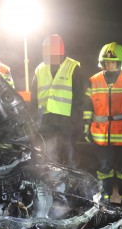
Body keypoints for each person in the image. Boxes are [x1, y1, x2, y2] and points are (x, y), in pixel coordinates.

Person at [83, 42, 122, 207]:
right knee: (103, 169)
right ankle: (105, 196)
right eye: (107, 61)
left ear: (120, 62)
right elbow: (87, 107)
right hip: (100, 134)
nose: (110, 64)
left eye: (113, 61)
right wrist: (86, 127)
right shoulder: (93, 81)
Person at [30, 34, 86, 167]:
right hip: (46, 121)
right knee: (48, 156)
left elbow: (80, 97)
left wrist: (76, 121)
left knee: (68, 155)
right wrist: (34, 120)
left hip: (66, 120)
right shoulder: (40, 69)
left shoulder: (73, 67)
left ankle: (71, 184)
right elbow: (34, 99)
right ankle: (51, 184)